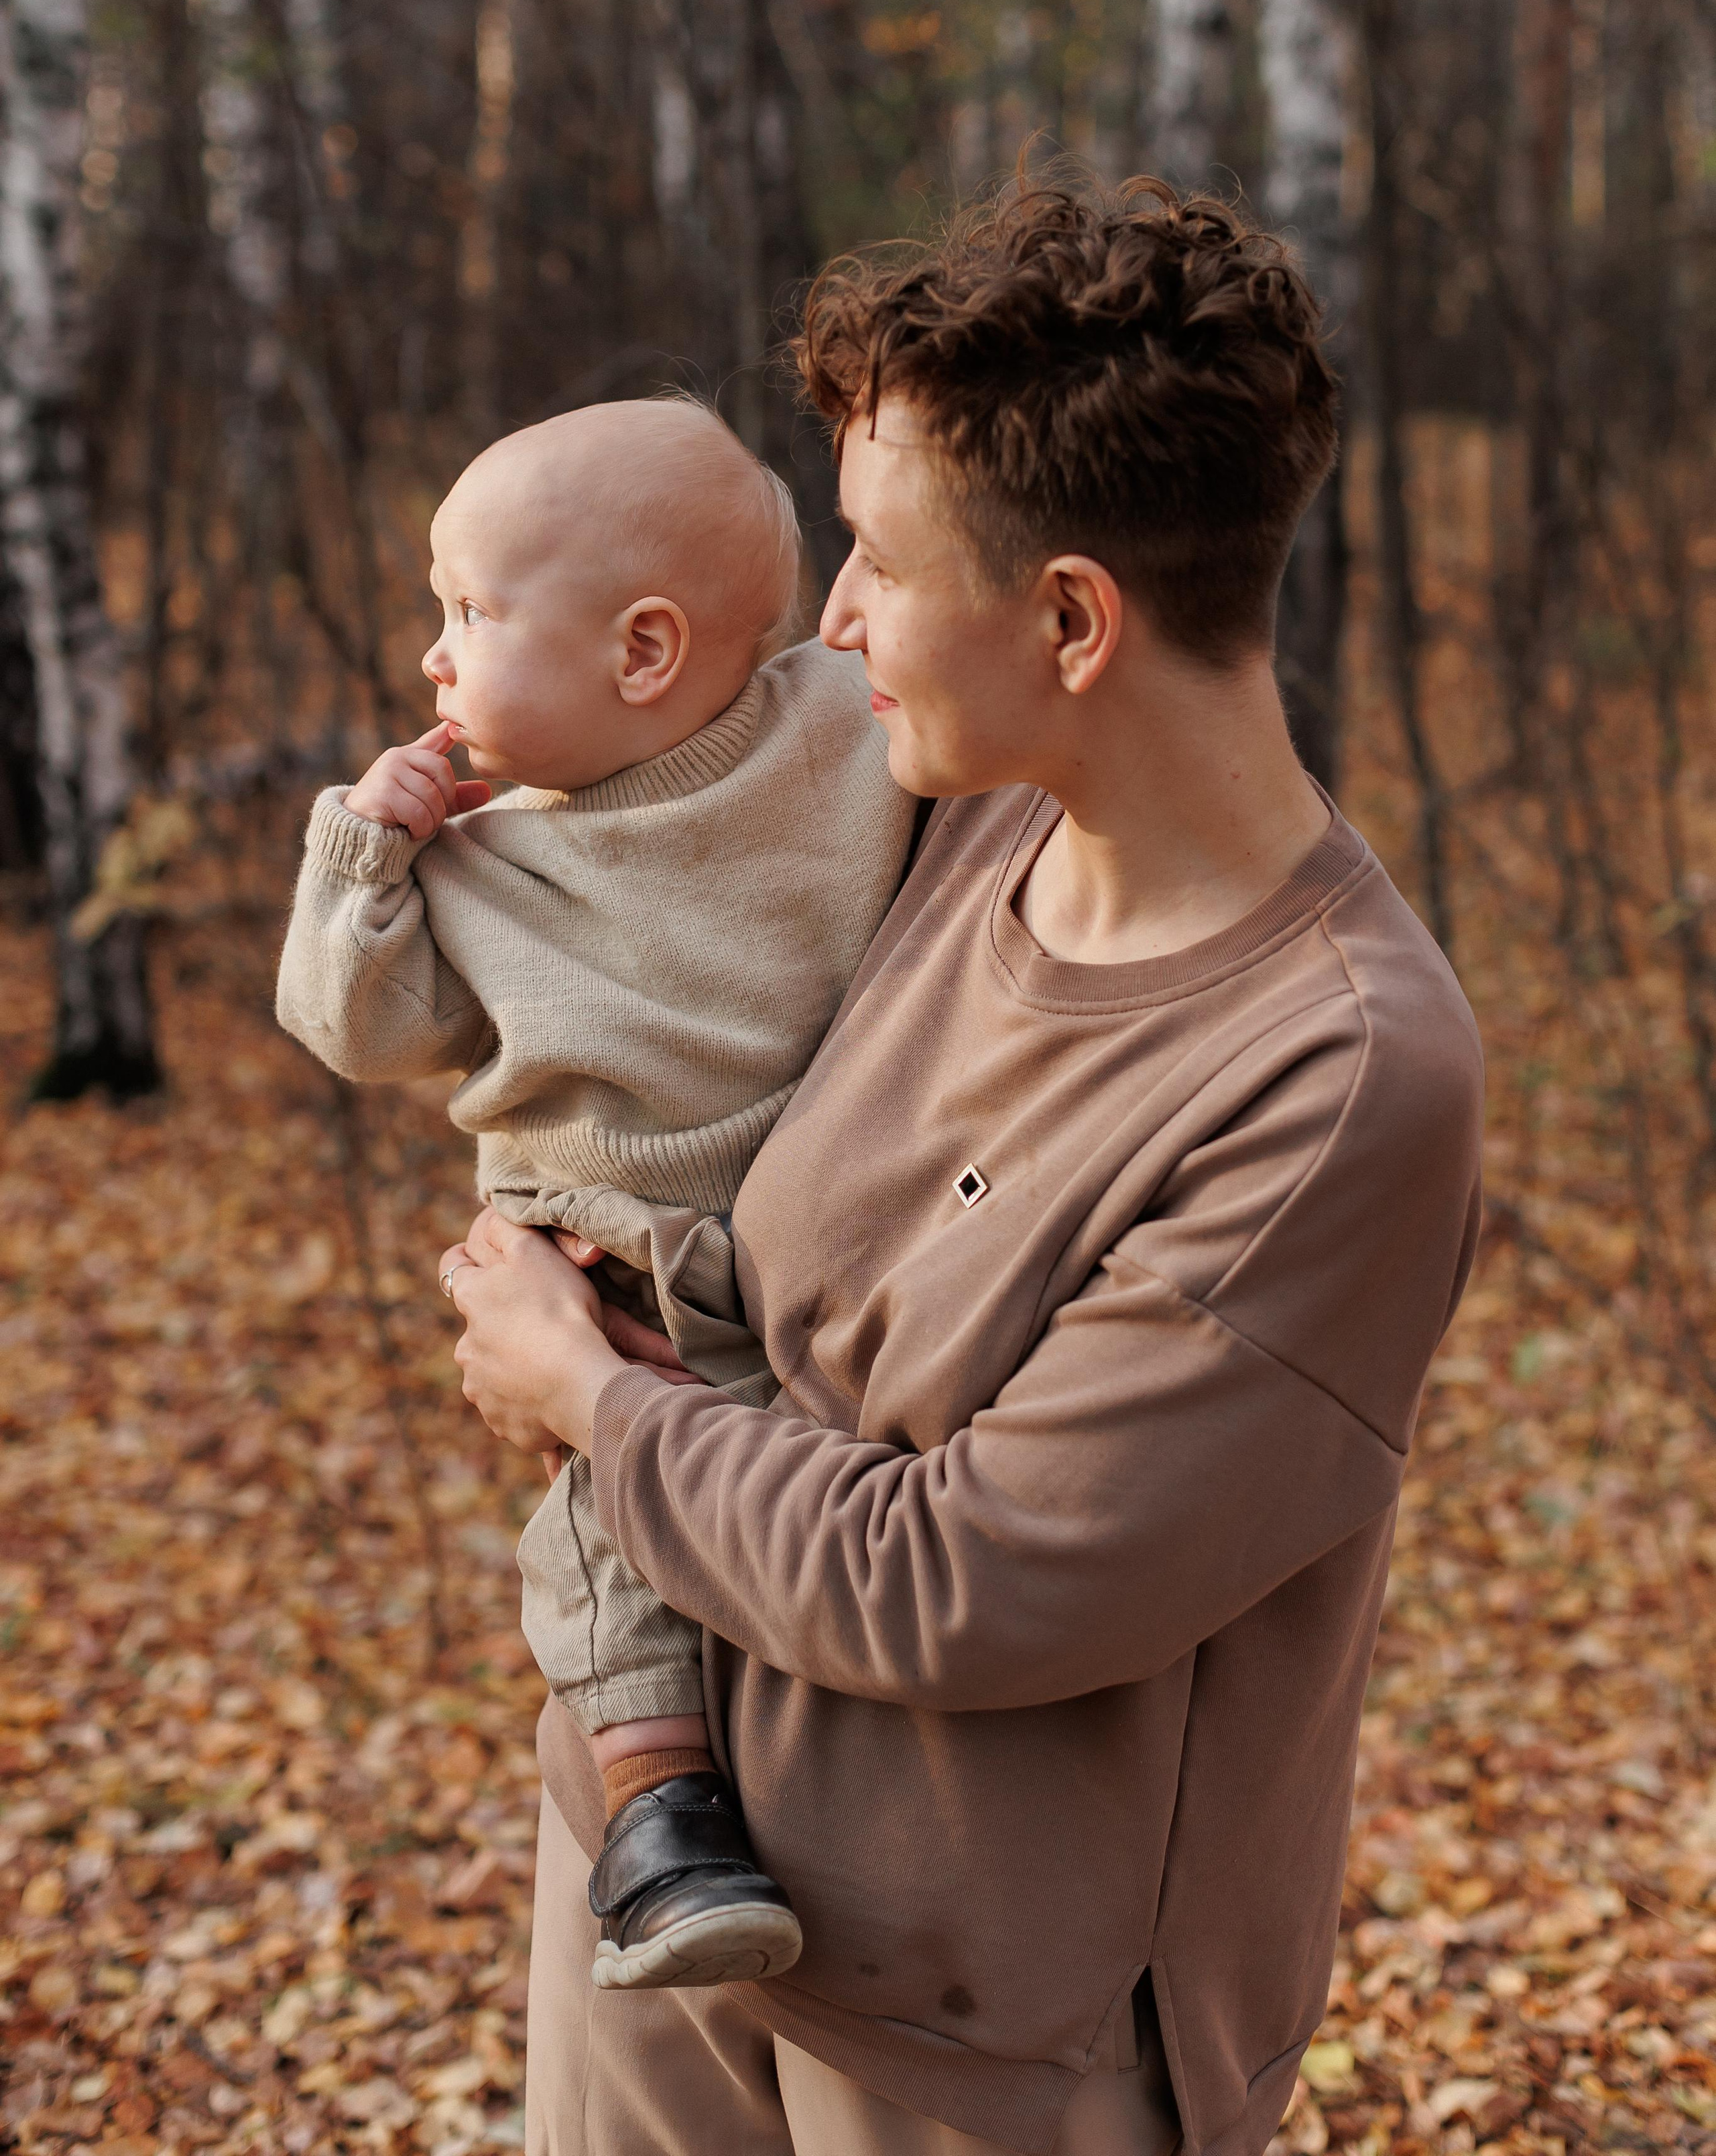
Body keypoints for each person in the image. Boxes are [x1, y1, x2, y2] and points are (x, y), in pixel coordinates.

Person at [444, 178, 1486, 2156]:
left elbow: (970, 1581)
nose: (832, 618)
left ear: (1072, 621)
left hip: (982, 2039)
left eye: (880, 562)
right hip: (663, 1896)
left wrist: (591, 1401)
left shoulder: (1338, 1080)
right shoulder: (957, 825)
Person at [275, 397, 917, 1989]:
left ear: (642, 651)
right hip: (612, 1266)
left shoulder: (843, 728)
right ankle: (666, 1824)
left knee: (688, 1520)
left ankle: (709, 1805)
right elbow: (354, 1029)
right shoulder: (479, 859)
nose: (431, 657)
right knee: (612, 1536)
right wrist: (363, 855)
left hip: (801, 1254)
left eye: (470, 612)